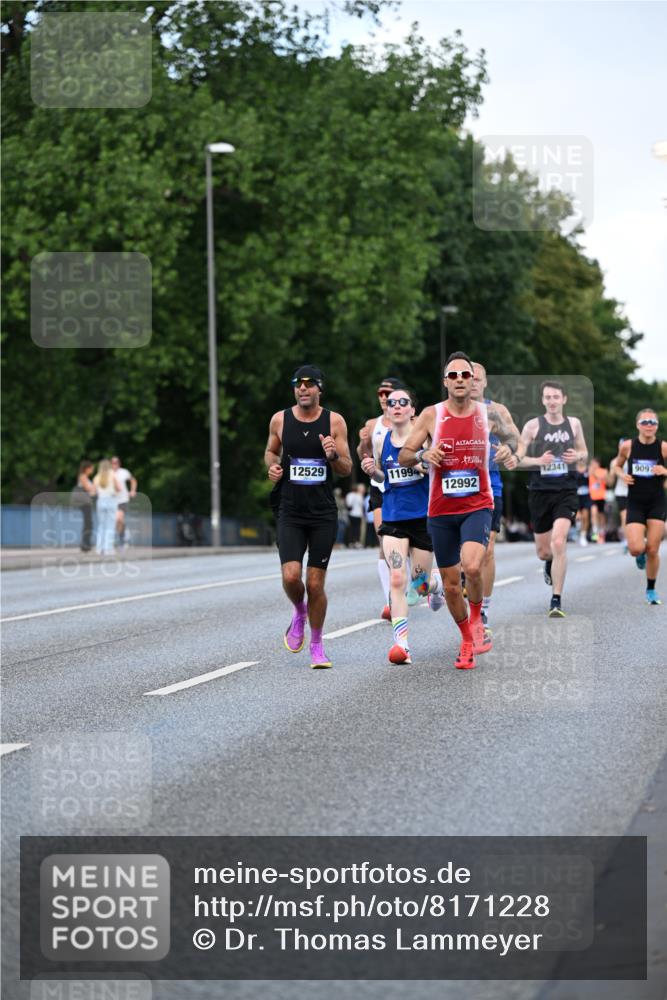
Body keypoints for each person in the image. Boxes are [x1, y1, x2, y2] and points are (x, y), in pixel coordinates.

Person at [399, 352, 520, 671]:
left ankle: (478, 616)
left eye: (465, 375)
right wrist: (424, 454)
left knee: (473, 565)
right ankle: (466, 639)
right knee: (452, 584)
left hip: (478, 503)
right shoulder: (430, 415)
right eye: (453, 376)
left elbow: (515, 442)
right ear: (445, 382)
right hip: (440, 509)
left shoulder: (490, 414)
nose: (460, 380)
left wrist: (509, 451)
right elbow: (404, 455)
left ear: (473, 379)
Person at [264, 364, 353, 668]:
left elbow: (346, 468)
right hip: (290, 510)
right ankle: (299, 611)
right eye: (298, 384)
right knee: (291, 577)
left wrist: (332, 455)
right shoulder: (280, 419)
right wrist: (273, 468)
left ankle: (316, 644)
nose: (303, 389)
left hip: (322, 513)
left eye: (309, 384)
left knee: (315, 584)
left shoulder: (334, 422)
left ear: (319, 389)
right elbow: (271, 452)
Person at [361, 388, 444, 664]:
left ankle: (435, 586)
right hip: (394, 517)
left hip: (422, 518)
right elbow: (386, 477)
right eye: (392, 403)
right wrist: (374, 472)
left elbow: (439, 468)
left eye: (403, 402)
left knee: (418, 586)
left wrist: (424, 464)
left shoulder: (424, 438)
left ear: (412, 410)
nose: (396, 406)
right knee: (397, 578)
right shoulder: (381, 439)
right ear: (387, 410)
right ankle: (402, 645)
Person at [515, 381, 588, 618]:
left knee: (559, 542)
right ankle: (548, 564)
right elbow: (518, 458)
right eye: (547, 397)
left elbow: (584, 452)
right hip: (539, 492)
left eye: (556, 397)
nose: (552, 401)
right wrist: (539, 462)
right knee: (544, 552)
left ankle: (556, 599)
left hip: (566, 491)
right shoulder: (532, 426)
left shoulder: (574, 424)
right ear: (543, 400)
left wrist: (577, 455)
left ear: (564, 399)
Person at [470, 362, 523, 635]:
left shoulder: (497, 411)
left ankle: (484, 610)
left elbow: (518, 440)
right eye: (469, 377)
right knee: (460, 558)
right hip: (455, 489)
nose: (473, 382)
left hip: (490, 486)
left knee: (487, 550)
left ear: (485, 382)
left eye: (478, 378)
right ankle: (442, 586)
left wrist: (509, 451)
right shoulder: (443, 411)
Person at [358, 377, 408, 619]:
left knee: (409, 545)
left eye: (387, 392)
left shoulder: (411, 420)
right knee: (383, 540)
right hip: (380, 485)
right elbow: (363, 454)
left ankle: (420, 582)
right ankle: (390, 597)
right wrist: (363, 442)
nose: (383, 397)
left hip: (408, 487)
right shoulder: (372, 423)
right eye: (380, 393)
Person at [611, 409, 667, 605]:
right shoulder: (627, 446)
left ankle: (651, 590)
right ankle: (639, 554)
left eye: (653, 422)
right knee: (636, 548)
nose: (649, 425)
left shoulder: (663, 447)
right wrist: (621, 475)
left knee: (653, 549)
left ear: (657, 426)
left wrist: (665, 470)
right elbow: (616, 465)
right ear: (638, 425)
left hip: (657, 502)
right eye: (645, 422)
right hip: (634, 501)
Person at [93, 459, 121, 556]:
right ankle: (108, 549)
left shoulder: (96, 477)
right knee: (110, 526)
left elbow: (94, 492)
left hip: (100, 501)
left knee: (101, 526)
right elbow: (119, 488)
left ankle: (99, 548)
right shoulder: (112, 474)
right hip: (111, 500)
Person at [111, 456, 137, 550]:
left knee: (119, 518)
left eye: (116, 462)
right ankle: (121, 536)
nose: (114, 464)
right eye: (113, 462)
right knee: (115, 521)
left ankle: (123, 538)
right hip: (112, 501)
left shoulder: (124, 472)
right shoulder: (108, 473)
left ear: (119, 463)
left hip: (123, 499)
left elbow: (133, 480)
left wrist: (133, 490)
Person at [609, 439, 630, 551]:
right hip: (621, 492)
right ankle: (626, 541)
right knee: (625, 517)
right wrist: (611, 472)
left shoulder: (633, 459)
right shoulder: (614, 462)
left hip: (635, 493)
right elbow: (610, 482)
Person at [71, 460, 96, 552]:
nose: (92, 470)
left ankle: (86, 544)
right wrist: (94, 489)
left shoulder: (86, 478)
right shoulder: (83, 476)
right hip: (84, 502)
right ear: (87, 468)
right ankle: (85, 545)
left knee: (88, 523)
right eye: (91, 468)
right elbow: (89, 489)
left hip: (86, 502)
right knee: (88, 523)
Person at [588, 457, 608, 543]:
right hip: (593, 497)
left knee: (601, 516)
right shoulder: (590, 471)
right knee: (593, 513)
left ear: (598, 464)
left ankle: (602, 534)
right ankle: (595, 535)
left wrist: (596, 474)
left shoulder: (603, 471)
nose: (592, 465)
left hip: (601, 496)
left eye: (594, 463)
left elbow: (606, 480)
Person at [574, 459, 591, 546]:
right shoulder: (574, 470)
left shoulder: (588, 470)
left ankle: (583, 536)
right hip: (576, 496)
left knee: (586, 517)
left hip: (586, 496)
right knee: (578, 517)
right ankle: (577, 532)